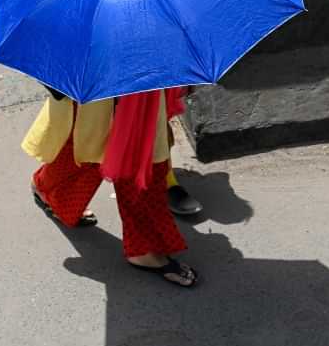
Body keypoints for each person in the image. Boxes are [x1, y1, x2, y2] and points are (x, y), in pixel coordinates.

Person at [23, 86, 198, 287]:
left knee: (139, 158)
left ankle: (143, 247)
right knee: (85, 148)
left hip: (138, 82)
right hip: (94, 76)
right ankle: (50, 191)